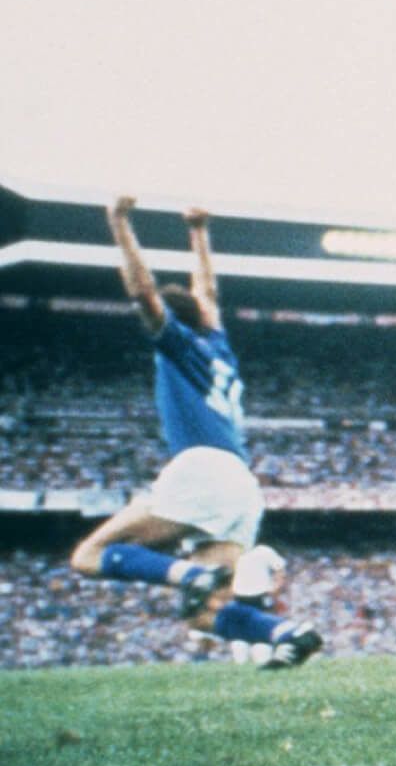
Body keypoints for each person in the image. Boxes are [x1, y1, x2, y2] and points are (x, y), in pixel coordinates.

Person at [66, 197, 319, 668]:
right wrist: (198, 232)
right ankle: (288, 634)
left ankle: (185, 574)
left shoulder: (175, 344)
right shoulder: (218, 347)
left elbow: (143, 293)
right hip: (241, 485)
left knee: (89, 553)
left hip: (201, 469)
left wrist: (118, 221)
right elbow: (210, 293)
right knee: (205, 615)